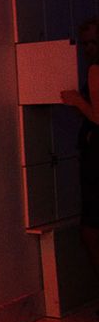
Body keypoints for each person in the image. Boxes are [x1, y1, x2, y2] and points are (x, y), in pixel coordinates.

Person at [61, 17, 99, 282]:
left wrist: (77, 100)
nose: (88, 49)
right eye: (85, 43)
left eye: (93, 42)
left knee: (91, 231)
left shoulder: (95, 69)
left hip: (96, 160)